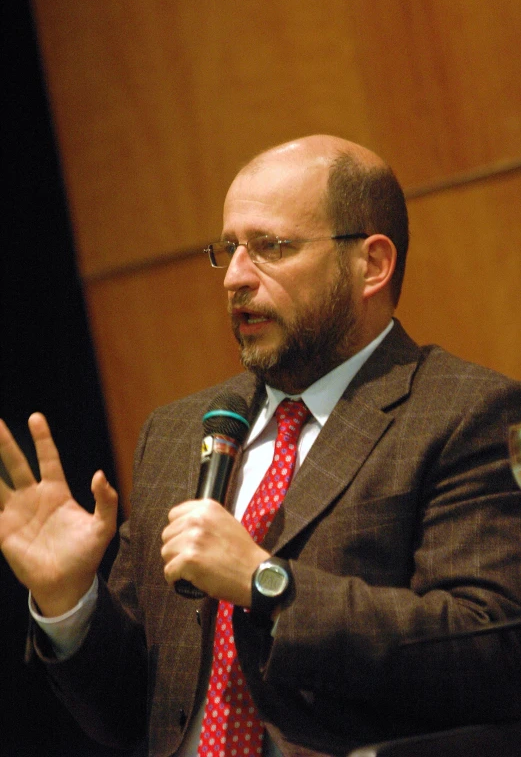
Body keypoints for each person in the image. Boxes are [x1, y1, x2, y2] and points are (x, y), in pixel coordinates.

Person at [0, 134, 520, 757]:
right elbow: (130, 712)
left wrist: (267, 582)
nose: (236, 278)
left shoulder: (465, 411)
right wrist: (70, 600)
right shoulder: (181, 430)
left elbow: (489, 651)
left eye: (271, 248)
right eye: (229, 249)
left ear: (372, 264)